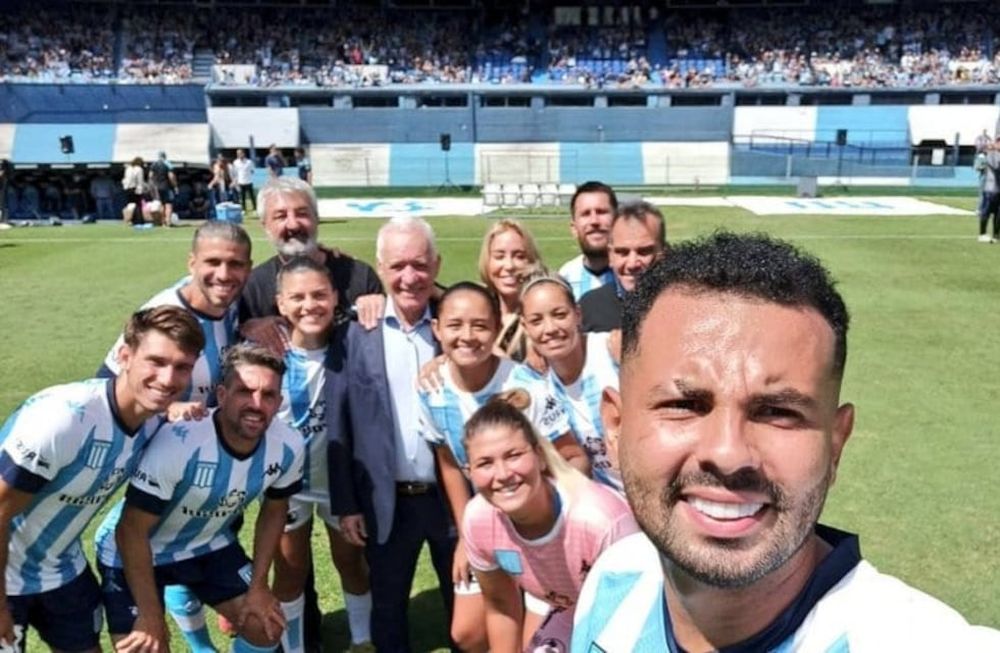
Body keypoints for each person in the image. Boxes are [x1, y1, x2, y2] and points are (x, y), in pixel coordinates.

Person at [572, 233, 1000, 651]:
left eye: (777, 412)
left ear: (836, 445)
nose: (727, 452)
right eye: (685, 404)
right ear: (615, 426)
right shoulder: (612, 583)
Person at [0, 306, 203, 652]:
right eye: (155, 361)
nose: (168, 379)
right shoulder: (63, 420)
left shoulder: (152, 421)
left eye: (181, 367)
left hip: (62, 571)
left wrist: (172, 410)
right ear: (125, 356)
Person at [95, 344, 306, 653]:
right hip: (133, 549)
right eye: (244, 392)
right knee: (146, 647)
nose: (256, 404)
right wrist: (151, 617)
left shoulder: (289, 444)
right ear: (221, 395)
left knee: (266, 624)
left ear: (279, 402)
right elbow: (131, 531)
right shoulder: (180, 441)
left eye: (268, 395)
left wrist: (259, 585)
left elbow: (275, 511)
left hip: (208, 543)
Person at [418, 281, 588, 652]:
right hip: (485, 522)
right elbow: (447, 460)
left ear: (497, 329)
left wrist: (544, 513)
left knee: (530, 641)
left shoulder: (526, 385)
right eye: (455, 325)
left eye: (479, 325)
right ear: (436, 330)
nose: (467, 336)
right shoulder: (430, 387)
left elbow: (574, 455)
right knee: (467, 634)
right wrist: (467, 533)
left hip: (540, 524)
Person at [331, 216, 456, 653]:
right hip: (384, 501)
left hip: (451, 497)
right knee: (387, 606)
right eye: (398, 265)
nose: (410, 277)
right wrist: (346, 504)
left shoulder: (456, 327)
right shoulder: (352, 334)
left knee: (464, 602)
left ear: (437, 266)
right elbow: (339, 424)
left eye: (420, 265)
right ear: (380, 269)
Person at [462, 394, 637, 652]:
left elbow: (633, 615)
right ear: (470, 473)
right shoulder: (478, 520)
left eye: (513, 456)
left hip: (634, 615)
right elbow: (500, 604)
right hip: (567, 609)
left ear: (540, 456)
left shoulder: (599, 519)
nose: (502, 475)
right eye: (485, 463)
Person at [269, 256, 373, 653]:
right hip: (287, 486)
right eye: (297, 297)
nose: (309, 305)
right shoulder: (269, 356)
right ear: (280, 303)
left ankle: (362, 639)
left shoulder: (354, 345)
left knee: (349, 562)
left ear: (335, 298)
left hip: (339, 483)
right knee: (292, 570)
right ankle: (294, 648)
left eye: (319, 295)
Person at [98, 221, 252, 416]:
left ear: (248, 269)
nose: (223, 274)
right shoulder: (162, 314)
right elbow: (105, 383)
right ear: (192, 264)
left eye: (235, 264)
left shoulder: (236, 303)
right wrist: (167, 409)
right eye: (213, 262)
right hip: (155, 438)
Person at [239, 177, 384, 343]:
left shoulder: (361, 277)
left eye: (302, 214)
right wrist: (246, 327)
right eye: (281, 216)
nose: (293, 225)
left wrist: (380, 307)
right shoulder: (252, 288)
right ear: (264, 225)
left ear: (316, 218)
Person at [520, 275, 623, 492]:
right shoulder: (533, 383)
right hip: (609, 504)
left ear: (577, 314)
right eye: (536, 321)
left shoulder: (613, 349)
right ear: (525, 326)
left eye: (559, 315)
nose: (550, 329)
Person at [579, 200, 666, 332]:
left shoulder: (685, 305)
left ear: (663, 254)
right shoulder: (590, 308)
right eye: (622, 253)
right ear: (610, 256)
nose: (632, 264)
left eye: (643, 252)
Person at [478, 219, 546, 368]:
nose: (509, 266)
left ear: (531, 261)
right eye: (499, 256)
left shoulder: (543, 314)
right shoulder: (476, 306)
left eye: (519, 256)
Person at [557, 181, 617, 301]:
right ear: (574, 228)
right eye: (585, 214)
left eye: (601, 212)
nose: (594, 221)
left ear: (617, 220)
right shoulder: (565, 278)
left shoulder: (633, 274)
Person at [978, 136, 1000, 243]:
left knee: (998, 214)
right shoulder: (992, 154)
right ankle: (982, 234)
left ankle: (996, 235)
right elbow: (996, 167)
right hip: (990, 188)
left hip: (997, 189)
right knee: (986, 212)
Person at [150, 150, 179, 225]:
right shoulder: (168, 164)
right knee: (168, 204)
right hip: (167, 186)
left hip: (157, 187)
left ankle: (162, 222)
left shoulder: (154, 164)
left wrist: (154, 183)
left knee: (162, 204)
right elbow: (171, 176)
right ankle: (168, 222)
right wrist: (175, 186)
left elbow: (150, 176)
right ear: (165, 156)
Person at [122, 157, 145, 225]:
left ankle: (130, 219)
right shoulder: (139, 169)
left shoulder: (128, 169)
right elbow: (140, 180)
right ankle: (139, 220)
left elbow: (125, 179)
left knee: (130, 205)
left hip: (127, 188)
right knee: (138, 205)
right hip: (135, 189)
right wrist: (141, 190)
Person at [233, 148, 257, 213]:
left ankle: (255, 208)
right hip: (241, 182)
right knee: (242, 197)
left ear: (243, 153)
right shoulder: (235, 162)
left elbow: (252, 171)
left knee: (252, 196)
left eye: (240, 153)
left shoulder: (249, 162)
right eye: (238, 153)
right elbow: (235, 172)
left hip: (249, 181)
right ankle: (243, 209)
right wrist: (235, 181)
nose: (239, 155)